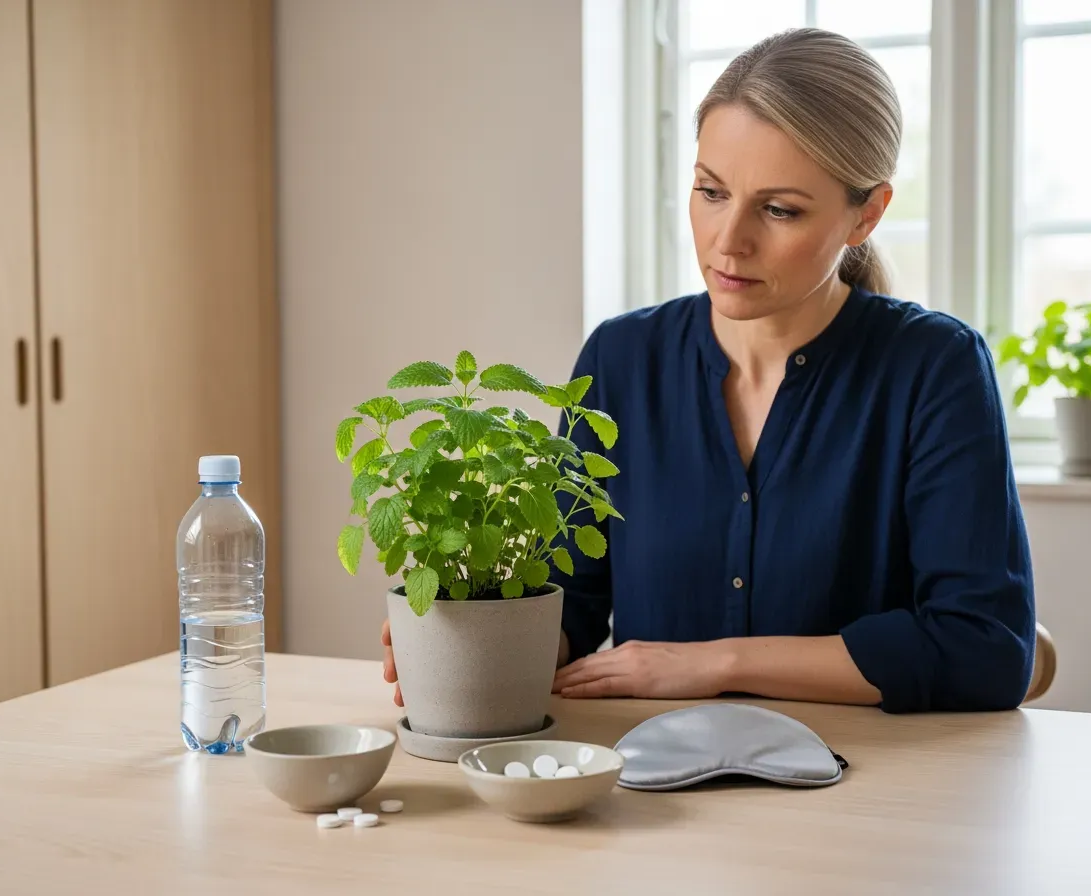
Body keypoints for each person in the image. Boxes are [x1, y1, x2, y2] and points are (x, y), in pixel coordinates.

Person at [381, 27, 1036, 713]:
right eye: (711, 192)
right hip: (642, 788)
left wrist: (718, 664)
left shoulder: (935, 368)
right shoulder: (621, 360)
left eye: (779, 209)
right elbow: (569, 606)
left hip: (865, 790)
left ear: (865, 215)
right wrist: (472, 637)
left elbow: (983, 650)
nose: (728, 241)